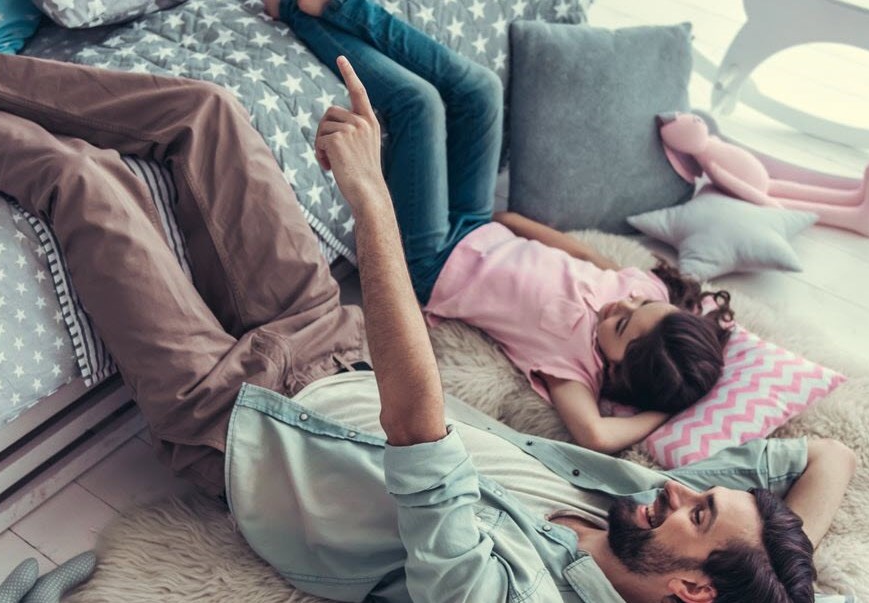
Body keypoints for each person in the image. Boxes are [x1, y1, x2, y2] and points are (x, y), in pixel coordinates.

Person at [0, 0, 855, 601]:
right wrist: (776, 573)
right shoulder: (633, 509)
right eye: (698, 494)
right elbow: (824, 458)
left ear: (689, 588)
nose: (678, 489)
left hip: (234, 421)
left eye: (697, 513)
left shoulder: (512, 593)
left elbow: (419, 434)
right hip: (329, 347)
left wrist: (369, 199)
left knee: (93, 192)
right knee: (210, 114)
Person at [274, 0, 735, 455]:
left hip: (435, 262)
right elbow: (587, 257)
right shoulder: (646, 294)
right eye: (640, 302)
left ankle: (295, 13)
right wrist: (516, 224)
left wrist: (662, 415)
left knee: (421, 106)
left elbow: (595, 435)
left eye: (622, 323)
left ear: (620, 372)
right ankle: (340, 7)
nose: (623, 303)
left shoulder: (572, 367)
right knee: (481, 91)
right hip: (479, 225)